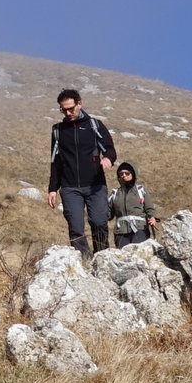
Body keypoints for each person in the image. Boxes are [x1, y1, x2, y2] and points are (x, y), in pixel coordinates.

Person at [43, 86, 117, 258]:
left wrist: (108, 158)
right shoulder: (58, 130)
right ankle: (84, 261)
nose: (68, 113)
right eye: (64, 110)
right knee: (76, 227)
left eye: (71, 108)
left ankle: (102, 258)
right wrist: (52, 189)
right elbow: (55, 161)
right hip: (70, 188)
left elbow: (109, 148)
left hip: (95, 185)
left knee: (99, 222)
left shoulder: (94, 125)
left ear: (79, 104)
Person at [106, 160, 159, 251]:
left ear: (133, 174)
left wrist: (152, 217)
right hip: (121, 232)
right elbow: (108, 215)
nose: (124, 175)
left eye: (127, 173)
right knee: (123, 258)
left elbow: (149, 208)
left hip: (140, 229)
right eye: (121, 173)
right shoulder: (115, 193)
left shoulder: (141, 190)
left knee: (139, 256)